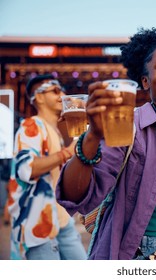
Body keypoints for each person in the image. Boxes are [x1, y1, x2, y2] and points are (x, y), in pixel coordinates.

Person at [56, 27, 156, 260]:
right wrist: (92, 137)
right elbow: (77, 196)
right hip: (131, 254)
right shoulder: (129, 129)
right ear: (145, 81)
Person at [8, 74, 87, 260]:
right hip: (38, 225)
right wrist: (68, 152)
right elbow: (26, 169)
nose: (62, 94)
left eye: (62, 90)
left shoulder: (55, 132)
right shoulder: (31, 125)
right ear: (39, 97)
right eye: (55, 90)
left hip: (61, 220)